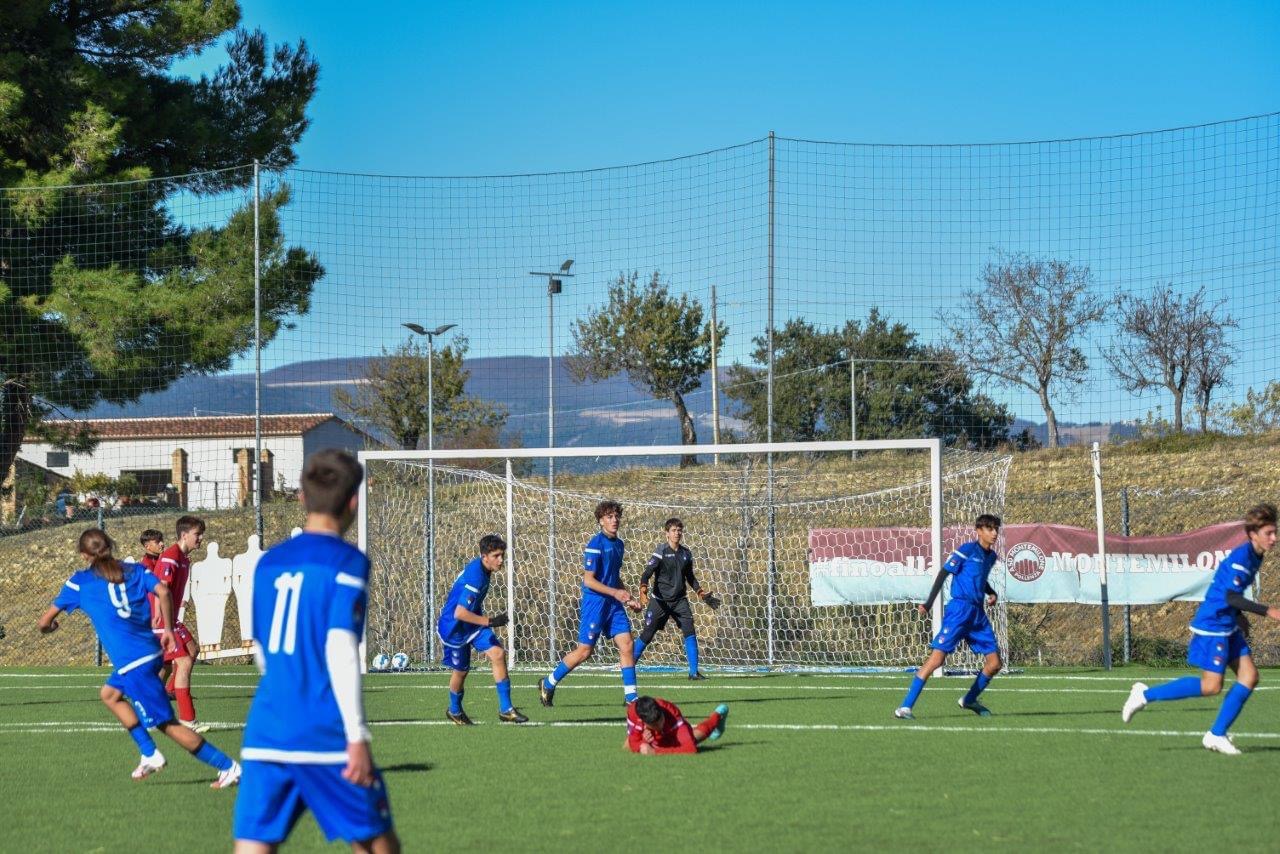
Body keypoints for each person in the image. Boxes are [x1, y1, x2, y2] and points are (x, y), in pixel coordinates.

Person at [233, 449, 398, 853]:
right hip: (323, 730)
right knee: (377, 843)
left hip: (267, 725)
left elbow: (262, 651)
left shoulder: (269, 563)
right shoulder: (347, 562)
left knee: (253, 845)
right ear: (354, 501)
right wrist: (356, 735)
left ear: (303, 498)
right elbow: (340, 646)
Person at [37, 528, 240, 787]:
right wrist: (167, 629)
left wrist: (49, 628)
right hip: (150, 652)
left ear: (83, 555)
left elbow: (44, 622)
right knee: (109, 695)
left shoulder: (79, 582)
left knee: (167, 724)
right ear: (110, 545)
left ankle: (228, 767)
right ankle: (149, 753)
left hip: (134, 663)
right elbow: (164, 592)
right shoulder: (135, 570)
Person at [1122, 503, 1280, 755]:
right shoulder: (1242, 559)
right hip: (1214, 625)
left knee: (1249, 677)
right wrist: (1268, 610)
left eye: (1275, 532)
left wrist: (1239, 617)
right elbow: (1229, 596)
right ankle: (1144, 695)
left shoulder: (1255, 554)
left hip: (1228, 623)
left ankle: (1216, 734)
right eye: (1269, 533)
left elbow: (1230, 593)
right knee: (1211, 686)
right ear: (1253, 534)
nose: (1274, 538)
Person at [895, 514, 1003, 720]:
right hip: (959, 610)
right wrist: (928, 603)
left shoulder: (991, 557)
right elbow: (944, 573)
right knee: (936, 660)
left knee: (995, 663)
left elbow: (979, 579)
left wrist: (991, 592)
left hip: (977, 614)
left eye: (996, 529)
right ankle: (905, 707)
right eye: (990, 529)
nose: (994, 533)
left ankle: (969, 699)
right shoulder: (966, 550)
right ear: (978, 531)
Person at [539, 499, 643, 707]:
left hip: (613, 604)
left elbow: (613, 576)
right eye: (609, 517)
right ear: (600, 521)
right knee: (585, 652)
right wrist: (616, 593)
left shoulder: (619, 545)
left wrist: (628, 598)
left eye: (616, 516)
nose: (614, 520)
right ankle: (549, 683)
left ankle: (631, 697)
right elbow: (589, 580)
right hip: (595, 603)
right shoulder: (595, 545)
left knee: (627, 644)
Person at [436, 533, 529, 725]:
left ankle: (506, 709)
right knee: (461, 672)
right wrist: (490, 621)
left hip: (472, 623)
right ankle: (454, 710)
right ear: (484, 556)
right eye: (496, 556)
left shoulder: (483, 569)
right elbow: (459, 613)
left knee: (498, 653)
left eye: (502, 555)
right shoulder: (476, 577)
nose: (501, 560)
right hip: (454, 628)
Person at [632, 517, 721, 679]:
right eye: (673, 530)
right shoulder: (661, 551)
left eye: (679, 530)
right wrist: (643, 590)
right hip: (659, 601)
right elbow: (647, 573)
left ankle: (693, 673)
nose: (677, 533)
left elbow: (690, 577)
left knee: (690, 631)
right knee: (647, 634)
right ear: (667, 533)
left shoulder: (686, 553)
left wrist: (701, 593)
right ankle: (628, 666)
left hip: (680, 601)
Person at [152, 516, 206, 730]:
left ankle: (156, 705)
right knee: (183, 662)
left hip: (171, 619)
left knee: (191, 652)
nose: (200, 538)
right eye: (197, 534)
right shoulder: (171, 557)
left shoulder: (183, 558)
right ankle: (188, 718)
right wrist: (159, 615)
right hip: (163, 620)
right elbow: (161, 588)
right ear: (184, 535)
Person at [626, 695, 729, 754]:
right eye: (655, 725)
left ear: (661, 712)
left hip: (672, 732)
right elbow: (632, 743)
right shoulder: (633, 713)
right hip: (649, 731)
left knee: (692, 739)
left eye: (661, 720)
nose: (660, 726)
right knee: (627, 747)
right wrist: (643, 742)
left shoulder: (673, 715)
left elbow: (690, 749)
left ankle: (717, 716)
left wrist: (654, 752)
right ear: (643, 721)